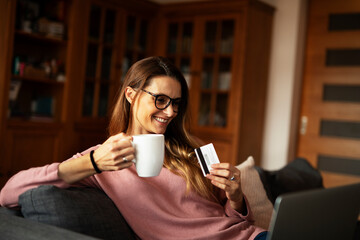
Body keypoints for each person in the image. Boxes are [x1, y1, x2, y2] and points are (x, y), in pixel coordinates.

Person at [0, 56, 267, 240]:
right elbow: (8, 193)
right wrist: (92, 162)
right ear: (131, 94)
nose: (171, 111)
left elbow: (230, 219)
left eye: (176, 103)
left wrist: (235, 197)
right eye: (160, 100)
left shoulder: (189, 150)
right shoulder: (106, 158)